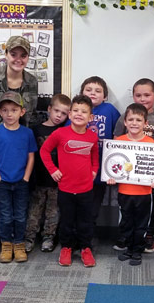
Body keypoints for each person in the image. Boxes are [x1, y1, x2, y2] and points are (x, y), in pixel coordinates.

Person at [114, 78, 154, 253]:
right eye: (138, 95)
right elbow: (115, 144)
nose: (142, 98)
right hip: (127, 175)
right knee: (125, 208)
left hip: (150, 175)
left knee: (149, 208)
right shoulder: (124, 118)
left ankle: (148, 236)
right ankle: (126, 236)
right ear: (133, 96)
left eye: (147, 95)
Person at [40, 95, 99, 268]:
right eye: (75, 111)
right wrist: (53, 170)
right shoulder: (60, 133)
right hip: (65, 188)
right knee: (66, 221)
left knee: (85, 221)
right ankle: (66, 247)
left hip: (86, 189)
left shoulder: (92, 137)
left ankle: (85, 248)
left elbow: (95, 156)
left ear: (91, 117)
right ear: (70, 114)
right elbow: (44, 151)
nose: (79, 114)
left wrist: (94, 170)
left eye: (84, 111)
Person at [107, 103, 154, 266]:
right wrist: (111, 176)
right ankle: (129, 248)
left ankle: (137, 250)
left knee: (142, 224)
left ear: (145, 123)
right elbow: (113, 165)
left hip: (144, 193)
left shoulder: (151, 143)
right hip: (125, 191)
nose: (134, 123)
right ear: (125, 122)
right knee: (126, 223)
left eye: (138, 120)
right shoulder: (119, 142)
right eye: (131, 119)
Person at [0, 91, 37, 263]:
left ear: (21, 112)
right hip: (3, 182)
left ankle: (19, 244)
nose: (9, 114)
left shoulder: (27, 133)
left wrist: (26, 178)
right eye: (5, 110)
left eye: (14, 110)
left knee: (20, 215)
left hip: (21, 181)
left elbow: (31, 157)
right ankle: (6, 244)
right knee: (6, 215)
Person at [24, 94, 71, 253]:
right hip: (38, 179)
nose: (59, 115)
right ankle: (29, 237)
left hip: (57, 181)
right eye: (57, 111)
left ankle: (48, 238)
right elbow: (30, 154)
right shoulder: (35, 130)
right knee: (34, 211)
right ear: (49, 109)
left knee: (53, 211)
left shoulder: (65, 131)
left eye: (64, 113)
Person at [79, 76, 120, 227]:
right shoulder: (77, 109)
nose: (93, 93)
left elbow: (120, 132)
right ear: (82, 92)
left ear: (105, 96)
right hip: (80, 166)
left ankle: (88, 234)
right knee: (79, 204)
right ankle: (76, 234)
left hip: (102, 166)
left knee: (94, 204)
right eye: (88, 90)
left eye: (98, 91)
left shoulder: (109, 110)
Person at [0, 35, 38, 127]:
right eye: (13, 54)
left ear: (28, 57)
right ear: (6, 54)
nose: (18, 60)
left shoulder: (32, 81)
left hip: (21, 136)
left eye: (23, 56)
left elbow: (32, 117)